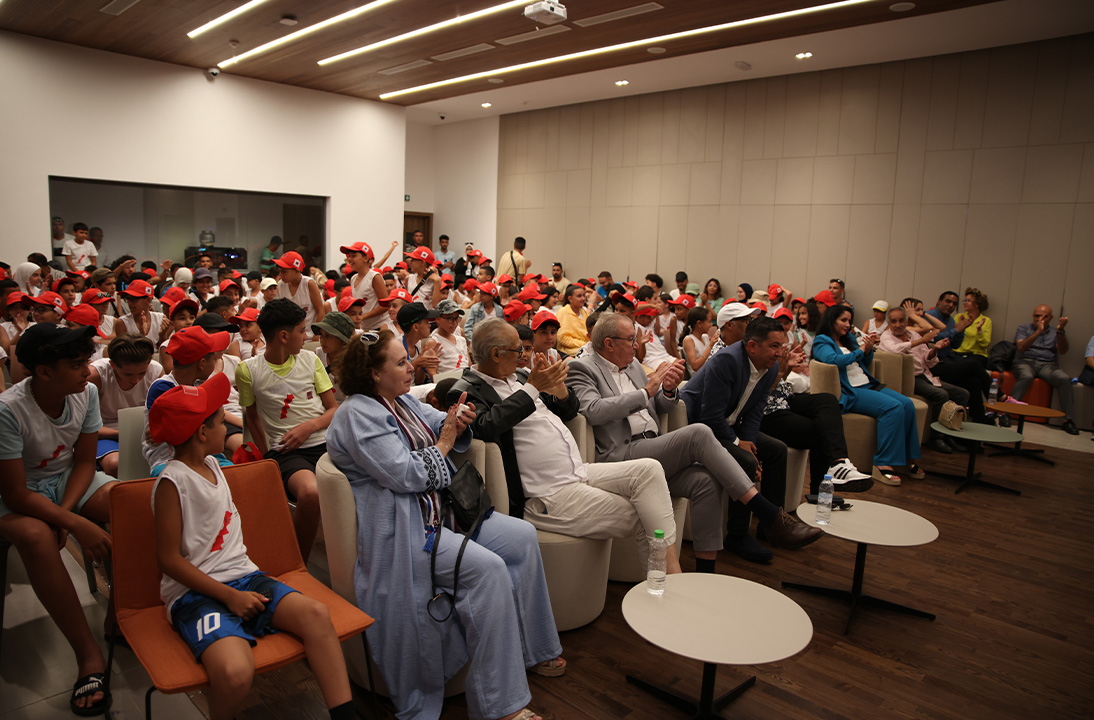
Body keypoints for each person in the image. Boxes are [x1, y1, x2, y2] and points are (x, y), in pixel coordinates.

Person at [326, 330, 564, 720]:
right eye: (401, 362)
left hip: (444, 513)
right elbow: (406, 474)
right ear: (372, 373)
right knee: (488, 570)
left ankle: (530, 650)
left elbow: (441, 421)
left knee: (522, 537)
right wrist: (444, 440)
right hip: (410, 532)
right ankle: (500, 704)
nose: (412, 365)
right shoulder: (356, 415)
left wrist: (457, 418)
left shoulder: (399, 400)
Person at [149, 374, 355, 720]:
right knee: (234, 671)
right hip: (196, 595)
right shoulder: (173, 481)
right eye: (218, 421)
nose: (226, 426)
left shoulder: (214, 463)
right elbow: (168, 559)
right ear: (201, 433)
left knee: (317, 616)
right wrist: (228, 596)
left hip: (246, 578)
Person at [569, 314, 821, 571]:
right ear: (609, 344)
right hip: (622, 456)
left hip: (652, 446)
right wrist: (645, 392)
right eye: (631, 340)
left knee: (705, 481)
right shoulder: (583, 368)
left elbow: (661, 406)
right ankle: (768, 513)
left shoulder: (632, 365)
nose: (637, 346)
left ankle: (705, 570)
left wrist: (668, 389)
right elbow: (594, 410)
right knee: (698, 432)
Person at [449, 318, 684, 573]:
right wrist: (531, 389)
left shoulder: (519, 377)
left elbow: (571, 411)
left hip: (576, 471)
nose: (524, 356)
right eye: (519, 349)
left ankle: (668, 579)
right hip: (546, 494)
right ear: (496, 354)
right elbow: (486, 426)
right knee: (645, 515)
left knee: (649, 470)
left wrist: (559, 389)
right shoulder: (466, 390)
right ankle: (666, 584)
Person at [0, 324, 116, 716]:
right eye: (76, 364)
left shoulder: (86, 393)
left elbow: (84, 461)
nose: (87, 371)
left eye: (86, 361)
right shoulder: (9, 410)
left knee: (130, 503)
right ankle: (88, 655)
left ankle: (121, 615)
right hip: (16, 491)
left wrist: (67, 515)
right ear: (44, 372)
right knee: (35, 535)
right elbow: (15, 493)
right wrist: (73, 522)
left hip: (67, 479)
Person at [681, 317, 826, 563]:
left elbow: (754, 412)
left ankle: (771, 528)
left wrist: (748, 442)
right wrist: (741, 446)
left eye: (781, 345)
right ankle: (737, 535)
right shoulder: (726, 361)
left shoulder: (769, 369)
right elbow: (709, 417)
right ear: (752, 346)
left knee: (776, 450)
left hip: (729, 426)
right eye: (774, 346)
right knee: (746, 461)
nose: (779, 352)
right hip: (699, 429)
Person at [236, 299, 336, 562]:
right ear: (283, 336)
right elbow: (253, 417)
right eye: (301, 331)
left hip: (325, 442)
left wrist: (309, 426)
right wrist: (269, 454)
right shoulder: (249, 370)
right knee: (310, 493)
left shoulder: (310, 360)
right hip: (287, 453)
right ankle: (298, 562)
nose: (306, 337)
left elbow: (333, 409)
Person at [813, 305, 922, 486]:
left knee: (907, 404)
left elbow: (864, 361)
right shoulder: (822, 341)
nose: (848, 324)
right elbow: (832, 360)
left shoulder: (848, 339)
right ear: (832, 320)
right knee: (893, 408)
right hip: (851, 391)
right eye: (843, 320)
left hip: (867, 384)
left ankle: (907, 458)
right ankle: (882, 462)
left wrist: (868, 350)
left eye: (849, 320)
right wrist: (860, 351)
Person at [879, 305, 967, 453]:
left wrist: (935, 349)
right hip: (910, 379)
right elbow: (895, 349)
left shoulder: (914, 335)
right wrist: (922, 341)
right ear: (889, 323)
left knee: (962, 393)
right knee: (941, 395)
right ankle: (936, 438)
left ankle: (952, 434)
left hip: (926, 375)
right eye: (894, 322)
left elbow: (928, 360)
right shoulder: (887, 336)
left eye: (901, 321)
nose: (898, 325)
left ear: (906, 321)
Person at [89, 333, 164, 476]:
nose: (136, 380)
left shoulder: (156, 371)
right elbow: (83, 425)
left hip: (146, 432)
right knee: (115, 465)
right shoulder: (96, 375)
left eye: (142, 373)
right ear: (112, 365)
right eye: (128, 374)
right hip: (106, 433)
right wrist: (120, 434)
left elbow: (164, 413)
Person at [1012, 305, 1079, 435]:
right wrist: (1038, 331)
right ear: (1033, 316)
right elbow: (1021, 348)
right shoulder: (1024, 328)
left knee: (1064, 379)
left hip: (1047, 365)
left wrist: (1060, 331)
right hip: (1025, 361)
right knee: (1026, 376)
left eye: (1044, 316)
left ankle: (1068, 420)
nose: (1040, 319)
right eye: (1037, 316)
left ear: (1051, 318)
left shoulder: (1055, 331)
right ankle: (1006, 412)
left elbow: (1063, 351)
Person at [927, 290, 989, 423]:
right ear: (939, 301)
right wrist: (957, 329)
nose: (951, 305)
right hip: (934, 364)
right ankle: (999, 396)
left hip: (948, 360)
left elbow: (955, 345)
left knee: (974, 382)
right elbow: (934, 338)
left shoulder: (950, 319)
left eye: (954, 303)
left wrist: (962, 330)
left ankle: (980, 420)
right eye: (947, 301)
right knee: (974, 364)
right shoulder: (929, 316)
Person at [341, 241, 389, 331]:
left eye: (353, 256)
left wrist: (362, 317)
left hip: (379, 328)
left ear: (366, 258)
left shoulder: (374, 277)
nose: (349, 259)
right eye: (349, 256)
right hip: (364, 328)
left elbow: (385, 305)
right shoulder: (353, 278)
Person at [274, 251, 326, 333]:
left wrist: (316, 335)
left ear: (297, 271)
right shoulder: (281, 285)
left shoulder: (309, 283)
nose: (280, 275)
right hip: (291, 336)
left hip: (310, 335)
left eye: (284, 272)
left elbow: (321, 311)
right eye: (280, 271)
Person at [431, 299, 470, 373]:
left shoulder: (461, 340)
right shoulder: (434, 342)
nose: (454, 323)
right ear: (438, 320)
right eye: (450, 319)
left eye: (457, 318)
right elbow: (432, 372)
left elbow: (468, 365)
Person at [556, 284, 589, 357]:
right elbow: (562, 338)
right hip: (569, 351)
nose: (583, 298)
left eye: (584, 295)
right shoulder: (563, 311)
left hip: (585, 347)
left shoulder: (583, 311)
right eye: (579, 296)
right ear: (570, 299)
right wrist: (584, 345)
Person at [682, 306, 715, 374]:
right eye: (709, 322)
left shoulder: (705, 337)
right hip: (698, 378)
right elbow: (695, 366)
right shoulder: (689, 340)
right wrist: (710, 346)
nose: (711, 325)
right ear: (699, 323)